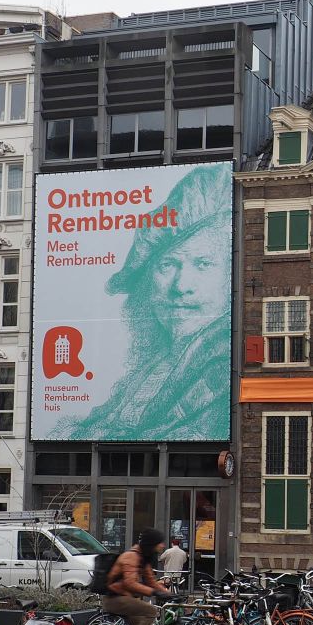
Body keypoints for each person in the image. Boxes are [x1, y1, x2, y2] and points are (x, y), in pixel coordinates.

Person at [53, 164, 233, 441]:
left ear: (230, 274)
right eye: (168, 265)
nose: (181, 286)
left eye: (203, 264)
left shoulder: (221, 366)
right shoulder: (158, 361)